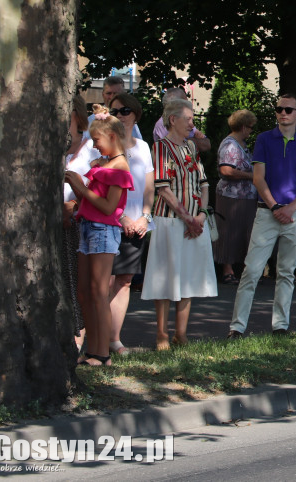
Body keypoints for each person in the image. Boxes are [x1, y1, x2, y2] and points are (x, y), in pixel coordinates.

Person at [229, 94, 296, 337]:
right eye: (279, 109)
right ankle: (237, 327)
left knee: (286, 273)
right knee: (252, 270)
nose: (283, 113)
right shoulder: (265, 139)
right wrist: (276, 207)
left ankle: (280, 326)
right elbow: (258, 178)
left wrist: (290, 208)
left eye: (288, 109)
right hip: (268, 214)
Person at [143, 98, 217, 349]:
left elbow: (204, 184)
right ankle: (162, 334)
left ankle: (181, 334)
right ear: (172, 119)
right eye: (188, 118)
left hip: (194, 221)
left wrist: (202, 216)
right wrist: (187, 217)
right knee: (165, 278)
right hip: (171, 221)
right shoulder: (160, 148)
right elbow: (162, 188)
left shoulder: (192, 148)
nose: (192, 124)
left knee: (188, 276)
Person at [64, 105, 134, 366]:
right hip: (87, 227)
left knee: (97, 291)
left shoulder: (120, 167)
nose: (94, 146)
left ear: (112, 137)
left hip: (104, 230)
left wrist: (81, 187)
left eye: (97, 140)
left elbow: (108, 207)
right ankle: (93, 350)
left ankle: (103, 353)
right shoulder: (106, 164)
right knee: (84, 291)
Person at [107, 92, 155, 355]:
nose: (120, 116)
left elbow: (149, 187)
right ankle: (91, 340)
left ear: (135, 114)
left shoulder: (143, 147)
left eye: (125, 111)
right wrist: (121, 217)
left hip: (138, 223)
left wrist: (145, 217)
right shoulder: (101, 146)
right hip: (109, 221)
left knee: (124, 281)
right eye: (115, 111)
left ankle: (114, 340)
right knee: (104, 282)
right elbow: (100, 189)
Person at [63, 95, 100, 347]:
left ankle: (78, 342)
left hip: (76, 223)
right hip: (46, 225)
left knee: (77, 283)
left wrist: (74, 204)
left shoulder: (91, 148)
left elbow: (97, 190)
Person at [213, 109, 258, 285]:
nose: (251, 131)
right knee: (228, 231)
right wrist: (250, 176)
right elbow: (226, 169)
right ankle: (227, 270)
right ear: (243, 126)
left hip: (245, 196)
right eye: (250, 127)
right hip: (231, 196)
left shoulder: (242, 144)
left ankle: (239, 269)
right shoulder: (230, 145)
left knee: (243, 231)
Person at [152, 87, 211, 153]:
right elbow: (174, 149)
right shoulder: (162, 124)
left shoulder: (185, 121)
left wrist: (186, 140)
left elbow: (207, 144)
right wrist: (194, 140)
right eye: (184, 102)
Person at [87, 75, 141, 140]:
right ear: (103, 94)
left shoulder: (128, 118)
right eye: (109, 93)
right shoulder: (92, 120)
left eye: (116, 93)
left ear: (124, 94)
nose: (112, 96)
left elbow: (137, 143)